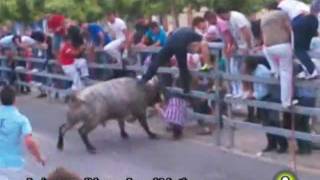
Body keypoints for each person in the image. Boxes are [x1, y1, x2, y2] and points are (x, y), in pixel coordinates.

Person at [139, 17, 210, 94]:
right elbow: (203, 42)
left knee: (157, 61)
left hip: (170, 43)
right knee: (182, 67)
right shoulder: (196, 33)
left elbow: (171, 34)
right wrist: (207, 64)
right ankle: (186, 88)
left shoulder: (184, 29)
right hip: (180, 45)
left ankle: (144, 79)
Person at [0, 86, 45, 179]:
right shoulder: (21, 119)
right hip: (13, 165)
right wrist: (39, 157)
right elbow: (29, 142)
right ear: (15, 100)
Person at [261, 5, 296, 108]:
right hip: (282, 45)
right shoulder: (282, 14)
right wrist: (293, 46)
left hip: (267, 47)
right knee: (286, 74)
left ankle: (275, 71)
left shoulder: (264, 17)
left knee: (278, 70)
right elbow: (290, 30)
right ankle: (286, 102)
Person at [216, 7, 254, 98]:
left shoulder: (237, 17)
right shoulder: (228, 21)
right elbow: (233, 34)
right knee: (234, 69)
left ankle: (245, 90)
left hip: (245, 46)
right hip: (239, 47)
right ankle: (238, 90)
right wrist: (234, 46)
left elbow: (246, 31)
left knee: (244, 69)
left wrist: (248, 47)